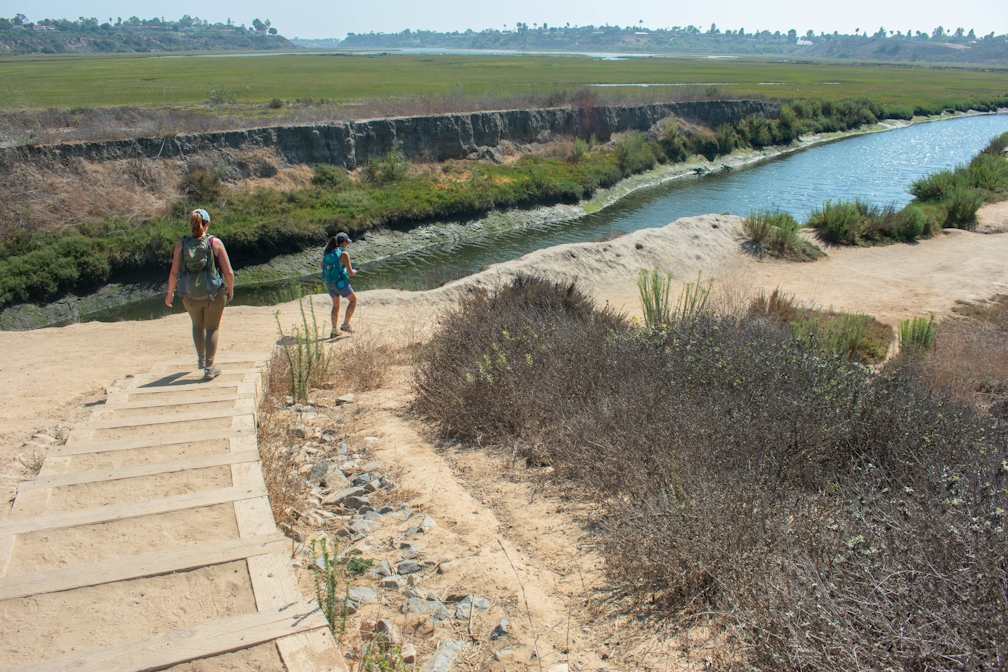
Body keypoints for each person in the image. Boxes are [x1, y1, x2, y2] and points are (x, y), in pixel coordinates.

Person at [165, 208, 235, 380]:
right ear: (207, 223)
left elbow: (174, 272)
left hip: (188, 295)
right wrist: (230, 288)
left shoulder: (181, 244)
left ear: (191, 223)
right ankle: (210, 368)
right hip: (213, 293)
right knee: (212, 327)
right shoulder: (214, 243)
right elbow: (228, 272)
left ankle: (201, 360)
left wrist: (170, 294)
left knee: (197, 325)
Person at [321, 232, 357, 338]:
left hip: (329, 283)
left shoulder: (328, 252)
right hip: (340, 283)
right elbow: (350, 272)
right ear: (344, 242)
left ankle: (334, 330)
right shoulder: (344, 254)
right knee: (353, 301)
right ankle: (346, 324)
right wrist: (355, 271)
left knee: (336, 306)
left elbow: (321, 266)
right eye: (347, 242)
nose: (348, 244)